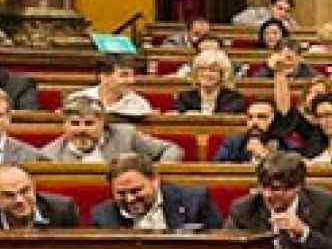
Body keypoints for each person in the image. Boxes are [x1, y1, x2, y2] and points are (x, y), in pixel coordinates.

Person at [91, 154, 222, 229]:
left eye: (136, 190)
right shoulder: (102, 216)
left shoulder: (194, 201)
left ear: (154, 180)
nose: (130, 199)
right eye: (121, 193)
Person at [41, 93, 182, 162]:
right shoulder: (49, 155)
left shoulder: (125, 136)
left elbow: (172, 150)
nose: (82, 130)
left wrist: (147, 171)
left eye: (89, 123)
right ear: (64, 126)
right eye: (75, 123)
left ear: (103, 123)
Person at [0, 166, 77, 229]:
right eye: (9, 195)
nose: (19, 200)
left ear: (34, 187)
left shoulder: (63, 210)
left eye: (25, 191)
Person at [75, 55, 154, 120]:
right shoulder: (78, 99)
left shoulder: (140, 105)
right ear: (104, 77)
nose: (131, 81)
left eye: (133, 76)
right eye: (124, 75)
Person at [174, 49, 247, 115]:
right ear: (196, 73)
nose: (206, 74)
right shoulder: (184, 97)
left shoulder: (234, 98)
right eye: (202, 69)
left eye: (213, 70)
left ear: (222, 74)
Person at [212, 100, 286, 163]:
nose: (254, 122)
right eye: (250, 117)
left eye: (262, 117)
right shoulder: (233, 142)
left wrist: (265, 155)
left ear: (274, 120)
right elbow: (217, 166)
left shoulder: (285, 143)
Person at [233, 0, 297, 28]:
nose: (283, 13)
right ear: (270, 6)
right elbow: (235, 20)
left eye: (287, 11)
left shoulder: (287, 21)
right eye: (280, 8)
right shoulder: (256, 12)